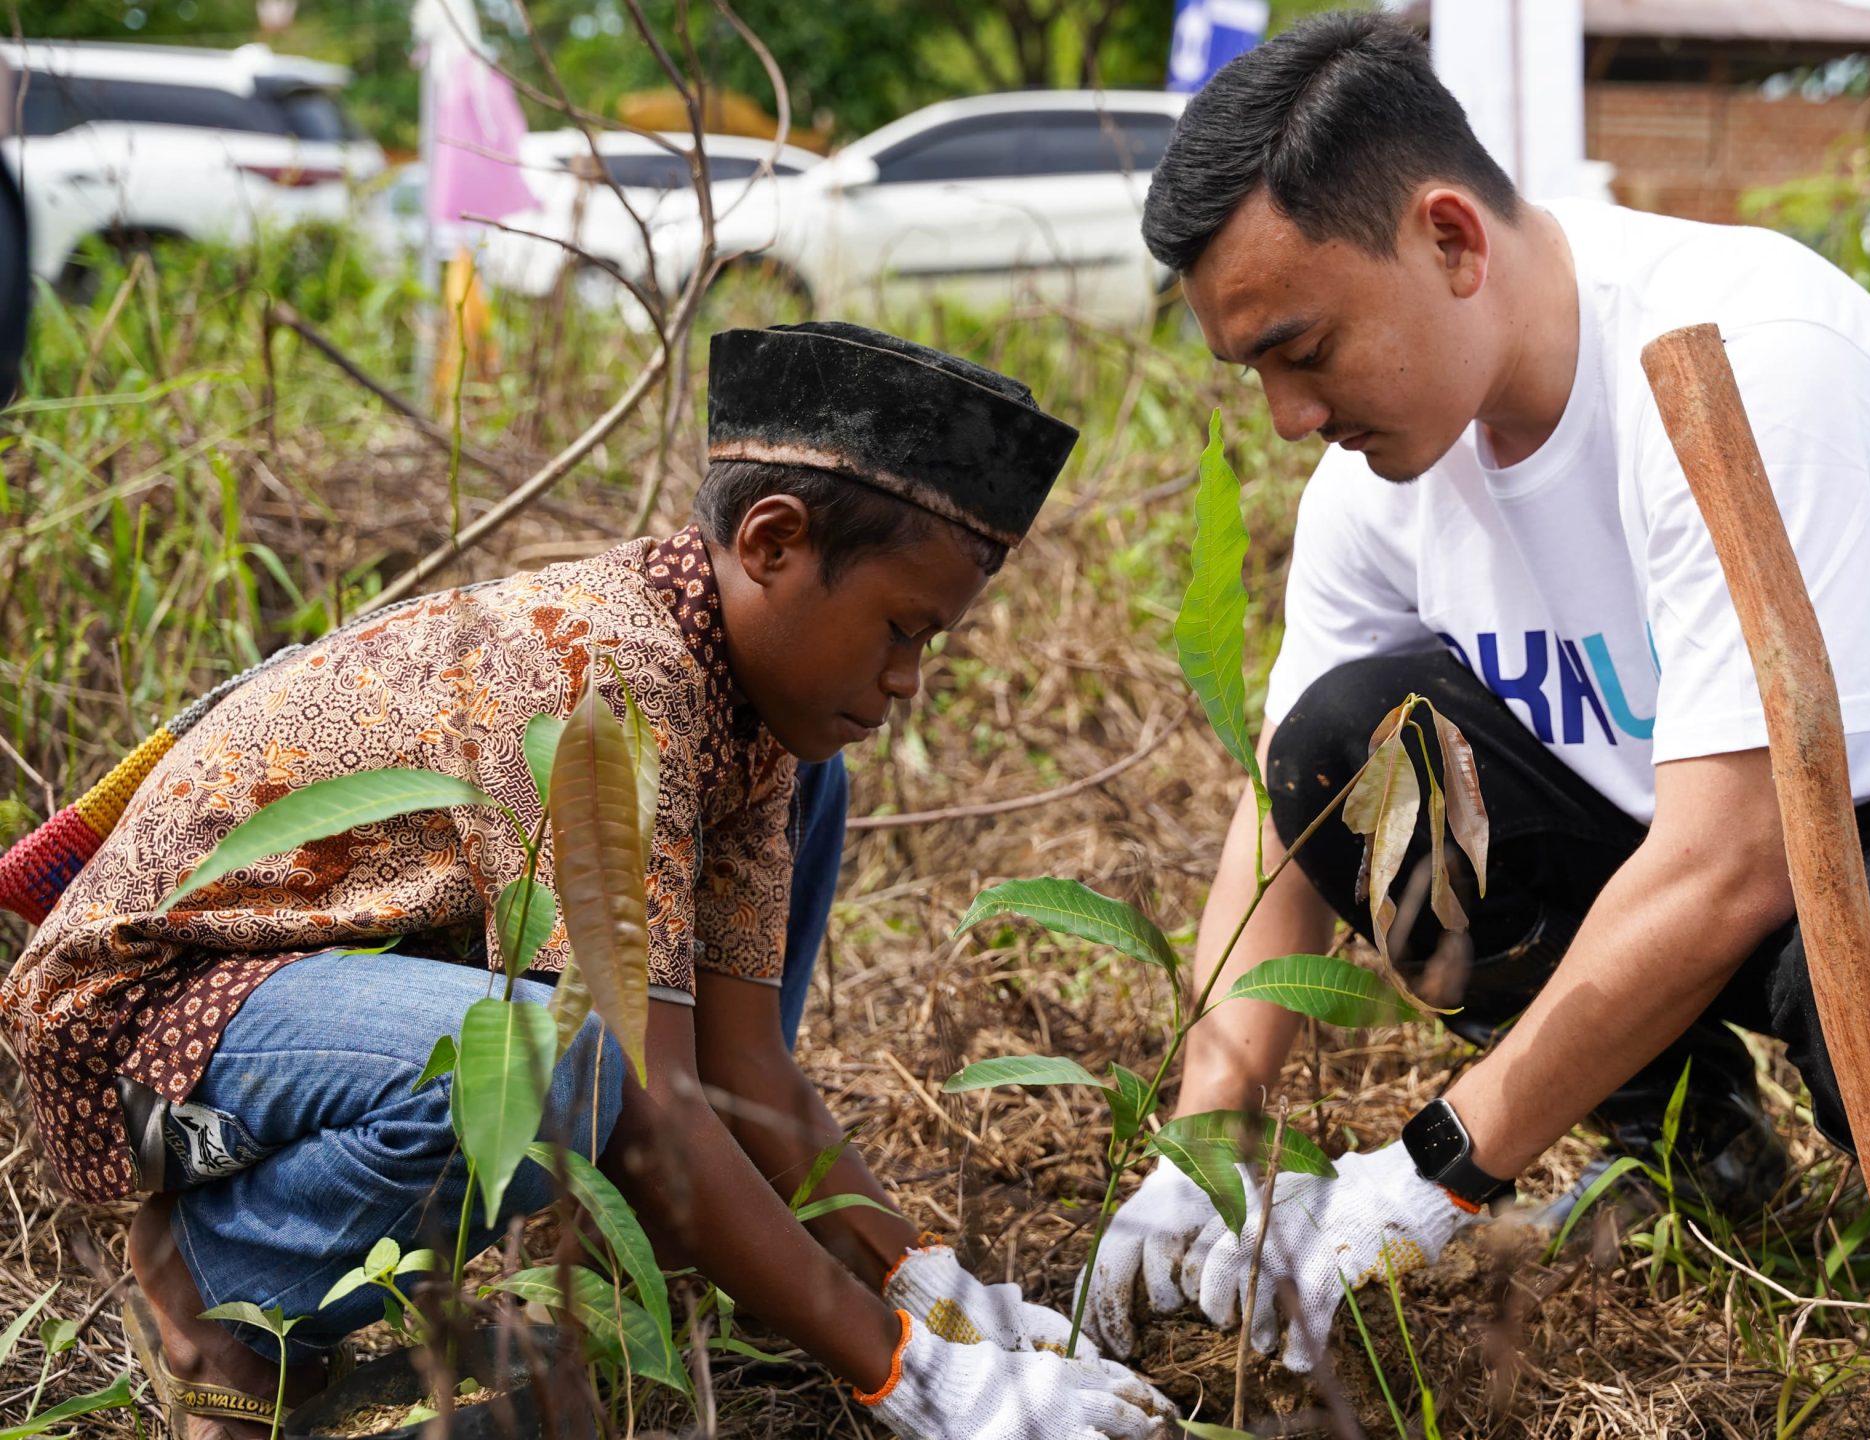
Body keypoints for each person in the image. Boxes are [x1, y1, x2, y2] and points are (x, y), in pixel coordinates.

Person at [1082, 13, 1870, 1374]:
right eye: (1257, 373)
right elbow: (1297, 799)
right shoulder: (1379, 483)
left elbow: (1740, 858)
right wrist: (1212, 1125)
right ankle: (1701, 1148)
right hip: (1710, 859)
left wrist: (1435, 1172)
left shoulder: (1741, 354)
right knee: (1350, 742)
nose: (1288, 415)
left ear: (1451, 241)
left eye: (1305, 349)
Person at [3, 322, 1173, 1440]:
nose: (909, 679)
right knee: (567, 1059)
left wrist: (921, 1281)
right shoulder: (601, 675)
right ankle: (219, 1287)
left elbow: (740, 1061)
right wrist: (903, 1376)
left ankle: (644, 1260)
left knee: (773, 846)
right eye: (901, 629)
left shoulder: (741, 709)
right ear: (769, 543)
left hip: (322, 994)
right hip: (153, 1021)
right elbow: (650, 1092)